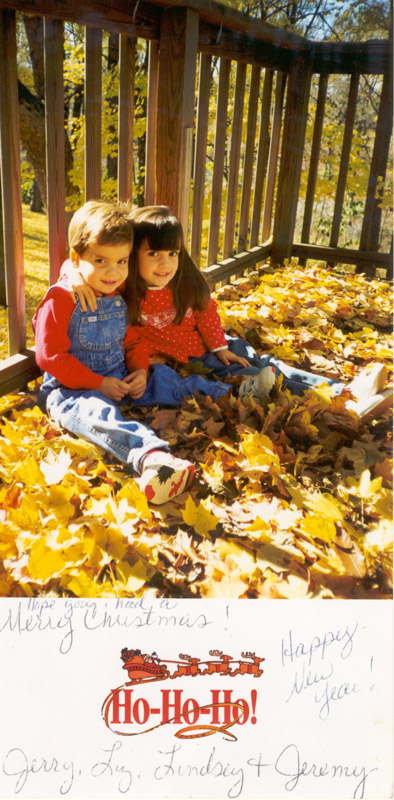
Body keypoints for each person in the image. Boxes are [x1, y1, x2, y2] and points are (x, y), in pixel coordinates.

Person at [67, 205, 392, 420]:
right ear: (132, 255)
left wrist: (219, 346)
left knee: (265, 361)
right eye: (153, 253)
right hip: (182, 360)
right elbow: (86, 263)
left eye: (172, 253)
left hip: (209, 345)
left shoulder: (185, 282)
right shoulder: (123, 285)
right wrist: (72, 275)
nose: (165, 263)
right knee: (260, 378)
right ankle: (342, 408)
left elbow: (207, 313)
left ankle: (345, 391)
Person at [33, 201, 242, 505]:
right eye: (101, 260)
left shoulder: (118, 296)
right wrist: (98, 383)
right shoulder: (62, 299)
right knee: (98, 415)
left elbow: (131, 342)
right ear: (77, 259)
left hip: (118, 376)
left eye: (122, 261)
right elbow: (50, 357)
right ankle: (153, 459)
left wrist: (141, 371)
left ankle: (226, 394)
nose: (113, 271)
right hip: (71, 389)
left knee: (164, 378)